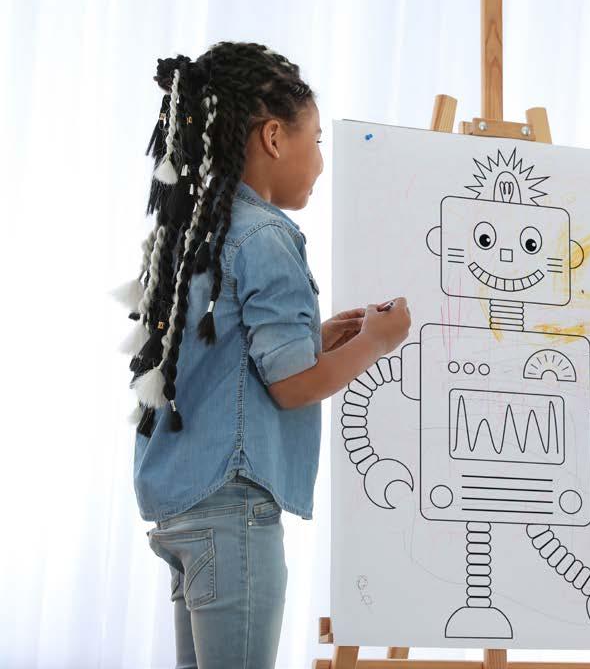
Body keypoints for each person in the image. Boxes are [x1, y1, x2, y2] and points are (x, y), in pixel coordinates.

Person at [114, 41, 411, 667]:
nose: (321, 161)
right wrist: (376, 343)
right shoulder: (268, 236)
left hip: (185, 510)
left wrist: (316, 338)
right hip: (233, 511)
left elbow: (224, 356)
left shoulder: (198, 231)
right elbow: (293, 386)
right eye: (317, 141)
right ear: (274, 137)